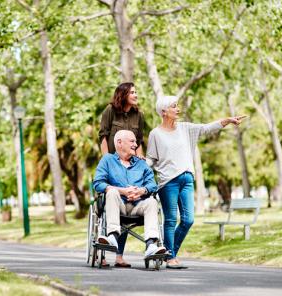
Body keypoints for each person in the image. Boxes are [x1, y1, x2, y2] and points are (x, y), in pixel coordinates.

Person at [146, 95, 246, 269]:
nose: (178, 109)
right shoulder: (155, 134)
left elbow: (207, 128)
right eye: (174, 107)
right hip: (167, 182)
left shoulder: (185, 128)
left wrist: (227, 121)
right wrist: (137, 169)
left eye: (177, 106)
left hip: (187, 179)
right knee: (170, 220)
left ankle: (169, 252)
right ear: (163, 112)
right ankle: (170, 257)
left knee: (188, 219)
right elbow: (151, 159)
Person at [93, 130, 166, 263]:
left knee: (152, 202)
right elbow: (98, 183)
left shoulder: (141, 163)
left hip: (138, 206)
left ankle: (151, 245)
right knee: (112, 191)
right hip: (116, 205)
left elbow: (152, 185)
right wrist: (122, 191)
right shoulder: (107, 160)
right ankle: (112, 237)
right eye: (132, 141)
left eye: (135, 141)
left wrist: (141, 191)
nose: (136, 144)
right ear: (119, 143)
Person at [98, 82, 147, 267]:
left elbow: (139, 141)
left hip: (131, 166)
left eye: (136, 91)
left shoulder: (138, 115)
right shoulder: (110, 110)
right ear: (123, 94)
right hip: (112, 165)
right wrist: (107, 162)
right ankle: (102, 255)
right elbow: (103, 136)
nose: (136, 95)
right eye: (132, 92)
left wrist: (139, 157)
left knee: (129, 201)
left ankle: (119, 256)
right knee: (108, 205)